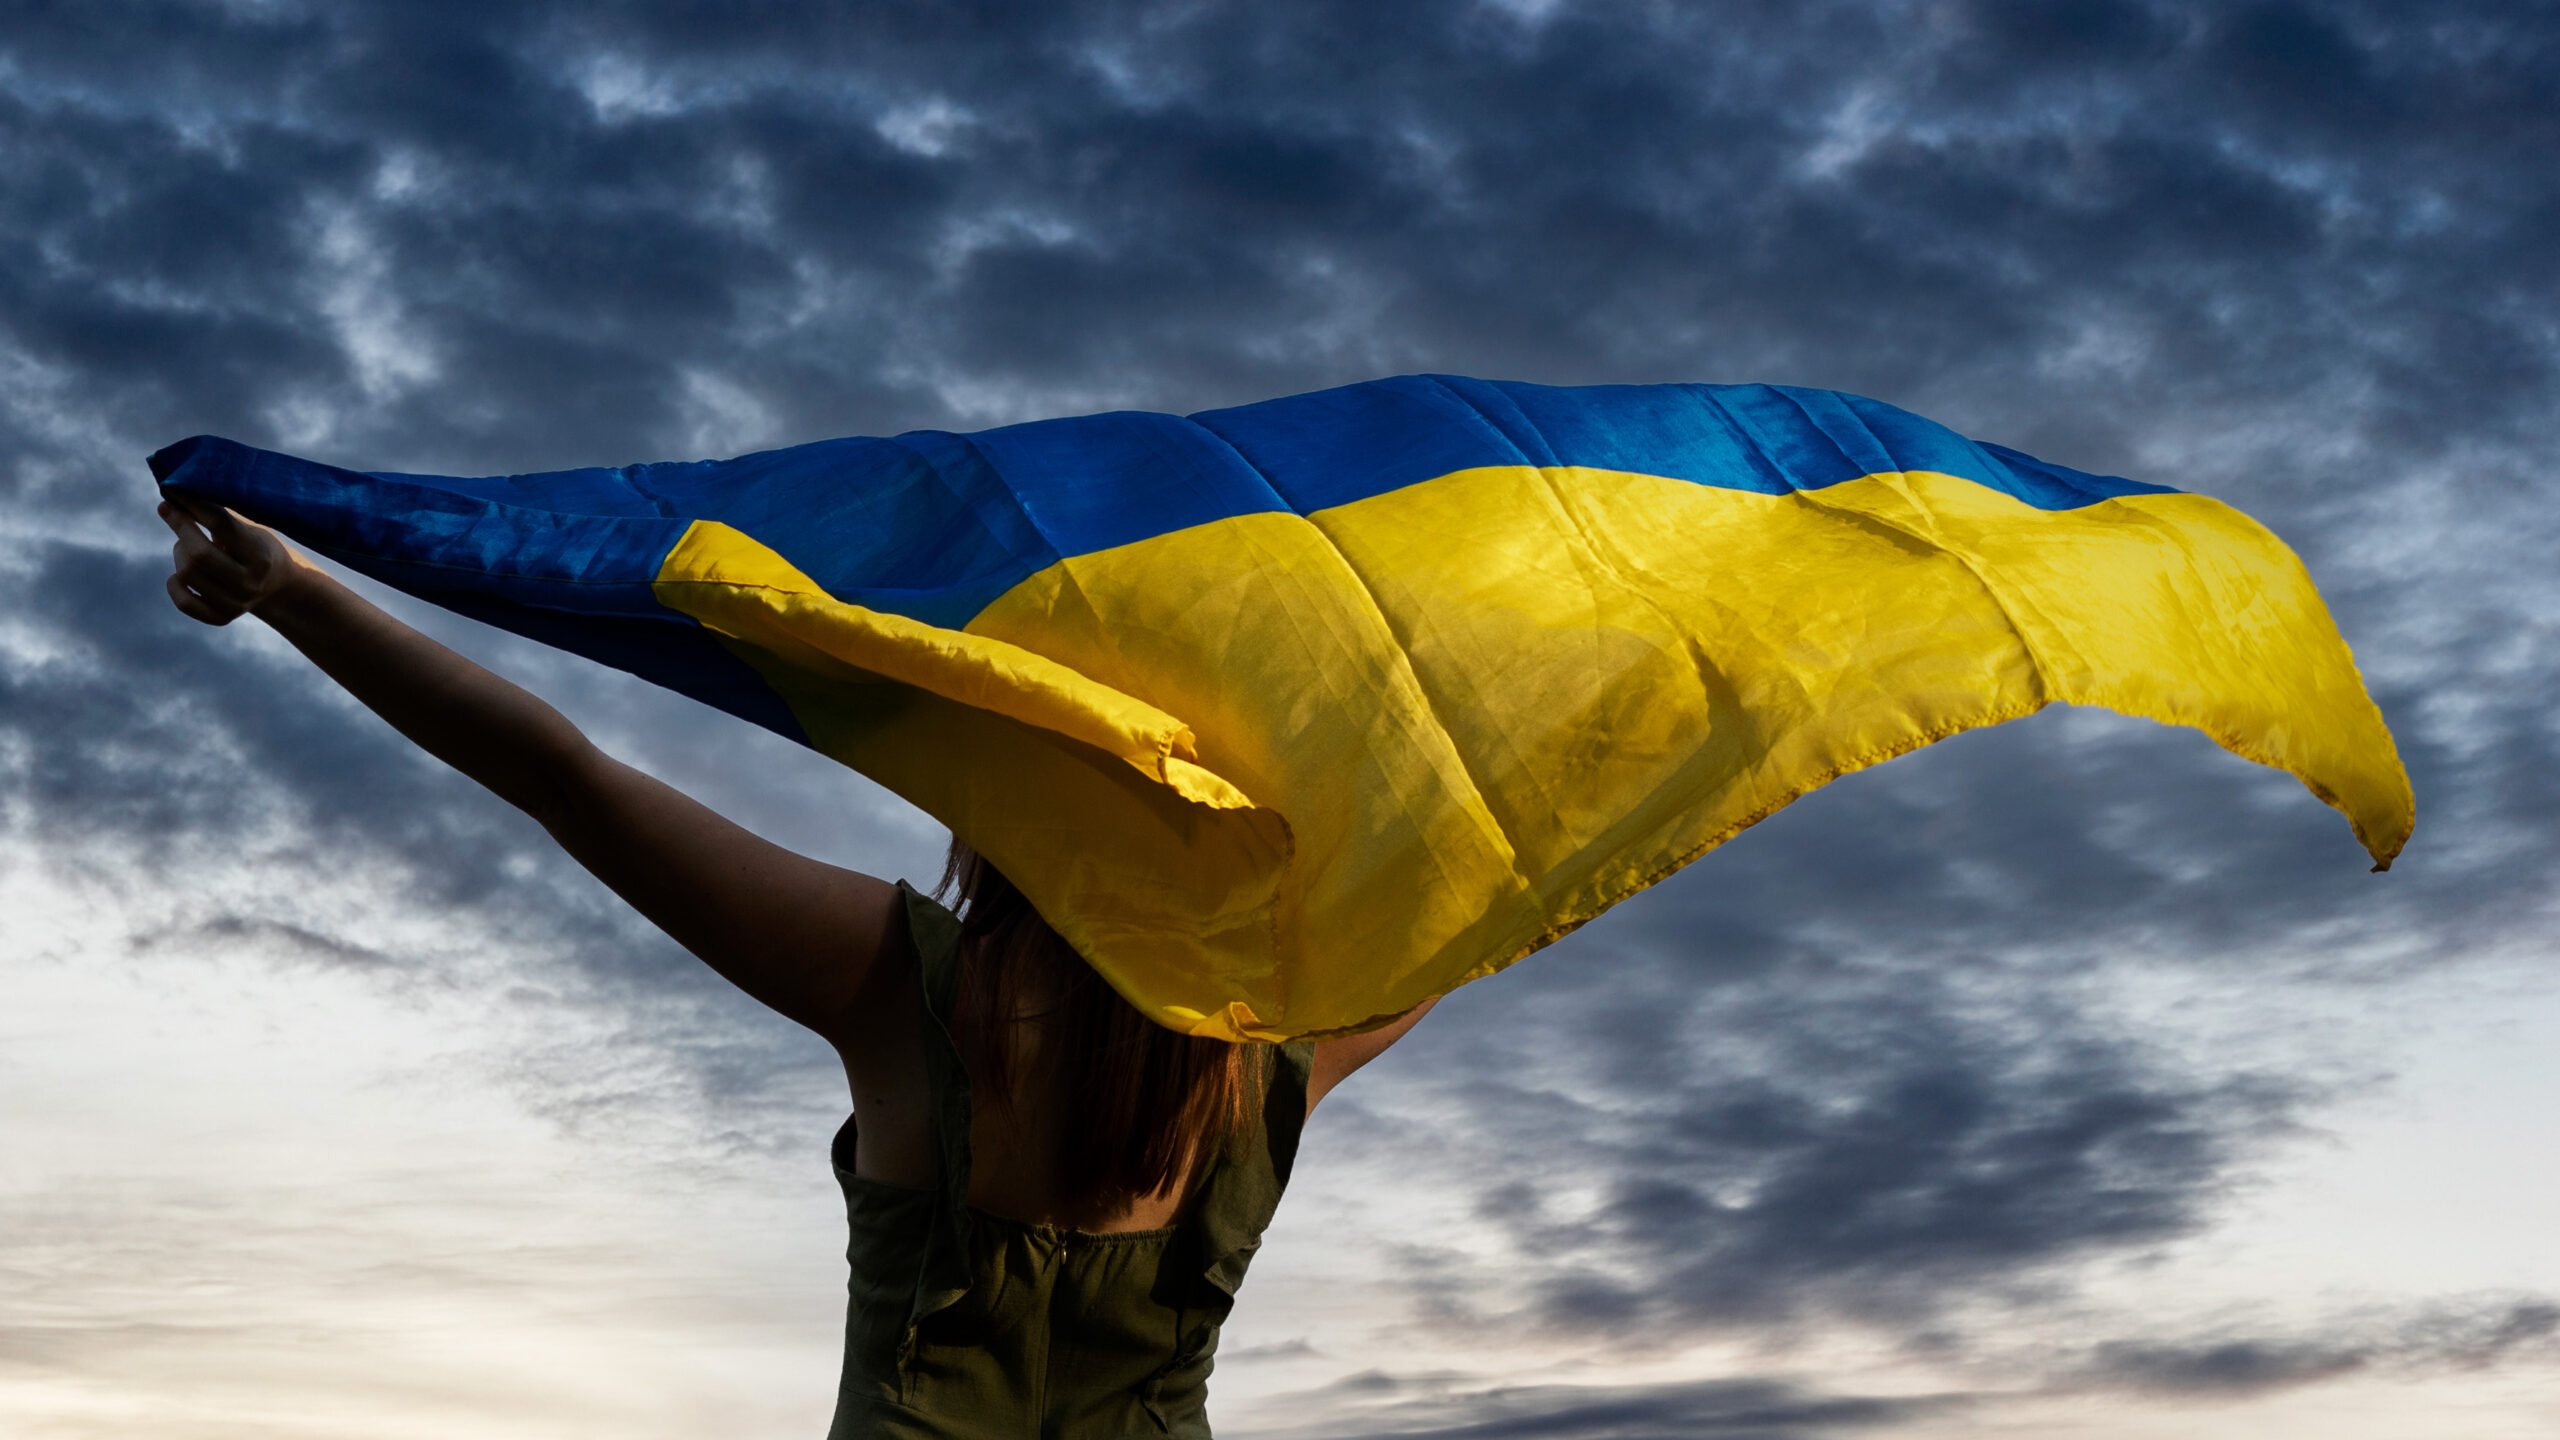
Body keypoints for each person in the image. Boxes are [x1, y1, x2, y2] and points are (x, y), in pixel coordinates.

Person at [156, 494, 1435, 1437]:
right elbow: (1520, 890)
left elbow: (563, 777)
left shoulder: (905, 987)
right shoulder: (1277, 1062)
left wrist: (297, 591)